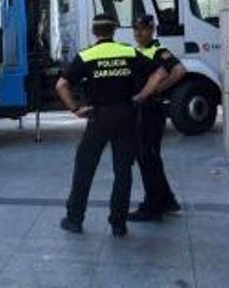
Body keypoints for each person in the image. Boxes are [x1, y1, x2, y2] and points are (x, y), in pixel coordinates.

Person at [56, 14, 168, 237]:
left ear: (94, 32)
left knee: (85, 167)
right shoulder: (128, 52)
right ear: (114, 31)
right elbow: (161, 72)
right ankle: (118, 223)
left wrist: (76, 110)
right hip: (126, 116)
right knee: (123, 171)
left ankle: (74, 219)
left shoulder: (87, 56)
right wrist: (142, 96)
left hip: (99, 118)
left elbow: (61, 85)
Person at [128, 14, 186, 221]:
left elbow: (179, 70)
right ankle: (167, 200)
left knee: (147, 158)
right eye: (136, 29)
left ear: (151, 30)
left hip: (151, 111)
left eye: (143, 29)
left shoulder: (159, 51)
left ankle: (152, 206)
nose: (138, 33)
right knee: (149, 158)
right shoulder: (136, 52)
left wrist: (157, 89)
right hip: (140, 111)